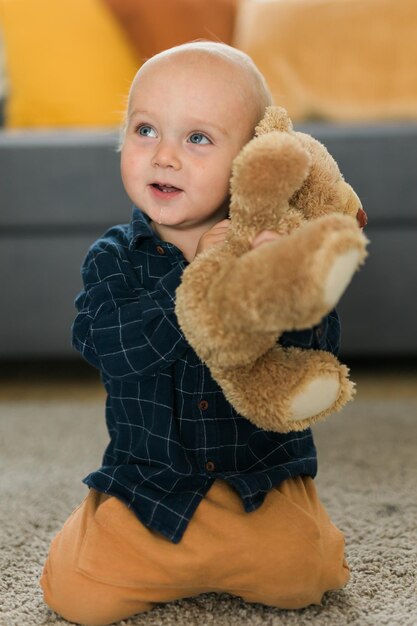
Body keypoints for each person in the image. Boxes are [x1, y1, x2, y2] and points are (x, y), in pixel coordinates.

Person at [40, 41, 349, 626]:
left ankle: (252, 546)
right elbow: (113, 350)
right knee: (78, 596)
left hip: (257, 481)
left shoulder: (272, 249)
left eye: (198, 138)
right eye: (146, 130)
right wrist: (197, 283)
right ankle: (106, 534)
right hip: (150, 489)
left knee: (308, 577)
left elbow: (316, 357)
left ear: (252, 161)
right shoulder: (114, 257)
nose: (164, 157)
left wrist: (281, 285)